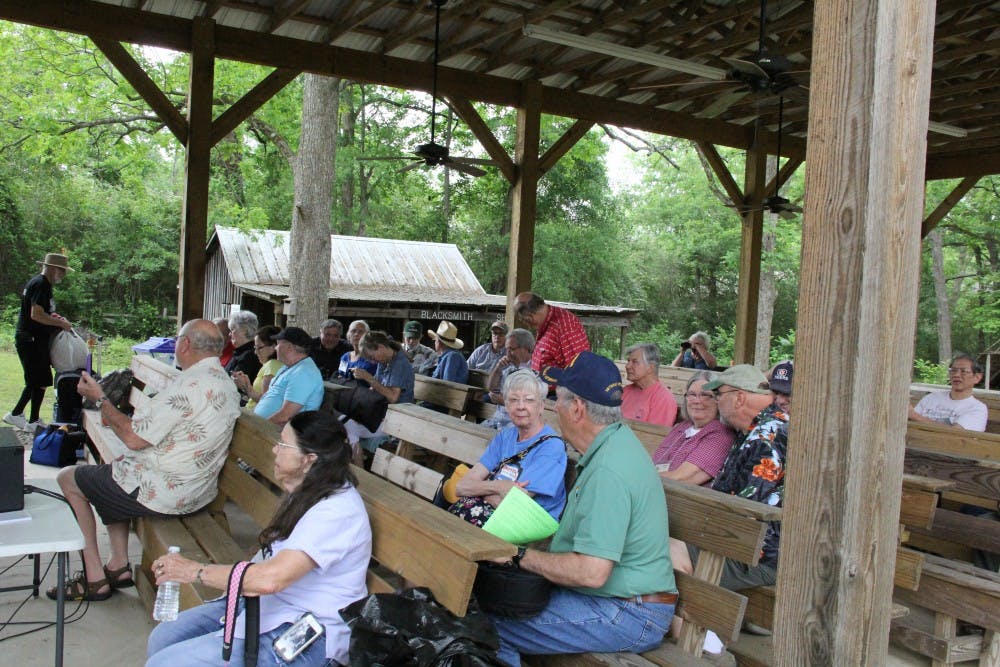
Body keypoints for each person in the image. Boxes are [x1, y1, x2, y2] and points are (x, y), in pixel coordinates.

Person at [487, 352, 676, 666]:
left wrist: (518, 556)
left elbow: (591, 573)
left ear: (576, 408)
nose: (553, 408)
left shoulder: (608, 471)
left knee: (492, 624)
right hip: (619, 601)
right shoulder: (615, 443)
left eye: (556, 400)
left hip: (630, 613)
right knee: (493, 602)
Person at [145, 411, 371, 667]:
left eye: (283, 444)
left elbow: (269, 579)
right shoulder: (310, 490)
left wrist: (193, 571)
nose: (275, 450)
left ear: (309, 460)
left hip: (309, 632)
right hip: (270, 606)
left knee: (164, 664)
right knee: (163, 638)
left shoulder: (336, 512)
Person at [53, 319, 241, 601]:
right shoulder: (224, 383)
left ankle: (94, 578)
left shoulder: (188, 385)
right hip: (196, 492)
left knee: (68, 478)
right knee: (111, 472)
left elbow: (133, 438)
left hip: (163, 494)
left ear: (185, 344)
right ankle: (117, 565)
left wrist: (100, 398)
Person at [670, 364, 787, 592]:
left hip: (757, 556)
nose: (715, 401)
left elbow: (745, 512)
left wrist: (690, 523)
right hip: (739, 543)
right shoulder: (753, 431)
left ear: (739, 398)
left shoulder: (768, 436)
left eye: (718, 394)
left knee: (663, 552)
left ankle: (703, 626)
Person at [450, 370, 567, 525]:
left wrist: (479, 490)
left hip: (527, 524)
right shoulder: (505, 437)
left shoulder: (551, 446)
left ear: (541, 406)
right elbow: (461, 487)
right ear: (506, 405)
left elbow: (514, 504)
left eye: (529, 400)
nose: (520, 406)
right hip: (487, 513)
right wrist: (500, 486)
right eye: (513, 400)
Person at [4, 252, 74, 432]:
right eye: (62, 271)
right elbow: (36, 314)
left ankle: (25, 417)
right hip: (31, 339)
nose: (63, 276)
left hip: (33, 339)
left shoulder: (40, 284)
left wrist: (53, 317)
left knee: (39, 380)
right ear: (52, 268)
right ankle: (22, 416)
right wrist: (61, 323)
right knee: (37, 380)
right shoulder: (41, 284)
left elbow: (42, 312)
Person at [652, 371, 735, 486]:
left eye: (705, 395)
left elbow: (681, 478)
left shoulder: (721, 435)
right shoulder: (681, 427)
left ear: (718, 400)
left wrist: (634, 477)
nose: (697, 401)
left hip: (680, 499)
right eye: (692, 394)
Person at [346, 331, 416, 451]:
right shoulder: (384, 361)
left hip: (398, 420)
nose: (373, 361)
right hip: (383, 415)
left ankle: (359, 468)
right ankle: (359, 466)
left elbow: (393, 397)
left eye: (372, 357)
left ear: (381, 347)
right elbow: (375, 389)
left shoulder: (399, 363)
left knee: (350, 430)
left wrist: (368, 378)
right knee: (347, 424)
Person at [254, 327, 325, 427]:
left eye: (278, 344)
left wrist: (258, 428)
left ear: (289, 347)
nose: (275, 348)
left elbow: (285, 416)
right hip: (267, 430)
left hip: (277, 434)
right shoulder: (289, 367)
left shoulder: (304, 373)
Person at [909, 353, 987, 431]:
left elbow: (956, 434)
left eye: (963, 371)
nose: (956, 375)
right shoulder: (931, 397)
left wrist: (915, 416)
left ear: (977, 377)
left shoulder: (977, 408)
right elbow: (910, 421)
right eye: (953, 370)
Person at [513, 292, 590, 372]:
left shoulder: (565, 327)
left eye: (524, 320)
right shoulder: (545, 322)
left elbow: (579, 371)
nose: (527, 325)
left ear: (530, 316)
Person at [483, 328, 536, 430]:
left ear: (526, 348)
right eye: (506, 349)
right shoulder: (508, 369)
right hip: (496, 421)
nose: (507, 354)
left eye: (511, 349)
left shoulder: (534, 372)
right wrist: (498, 369)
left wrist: (504, 401)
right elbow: (490, 387)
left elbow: (530, 406)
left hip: (515, 426)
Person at [621, 343, 678, 426]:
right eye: (628, 361)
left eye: (635, 362)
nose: (627, 366)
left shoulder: (663, 399)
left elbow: (654, 436)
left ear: (650, 368)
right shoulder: (625, 391)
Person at [232, 325, 283, 410]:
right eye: (255, 348)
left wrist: (247, 388)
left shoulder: (272, 365)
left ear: (274, 347)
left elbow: (266, 401)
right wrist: (246, 384)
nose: (256, 352)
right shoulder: (271, 365)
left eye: (259, 348)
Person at [224, 310, 261, 383]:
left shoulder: (249, 356)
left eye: (232, 330)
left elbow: (235, 384)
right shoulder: (240, 352)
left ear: (244, 330)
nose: (229, 334)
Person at [428, 320, 469, 384]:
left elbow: (447, 384)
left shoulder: (452, 356)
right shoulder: (448, 356)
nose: (434, 343)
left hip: (451, 393)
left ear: (438, 343)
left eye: (435, 340)